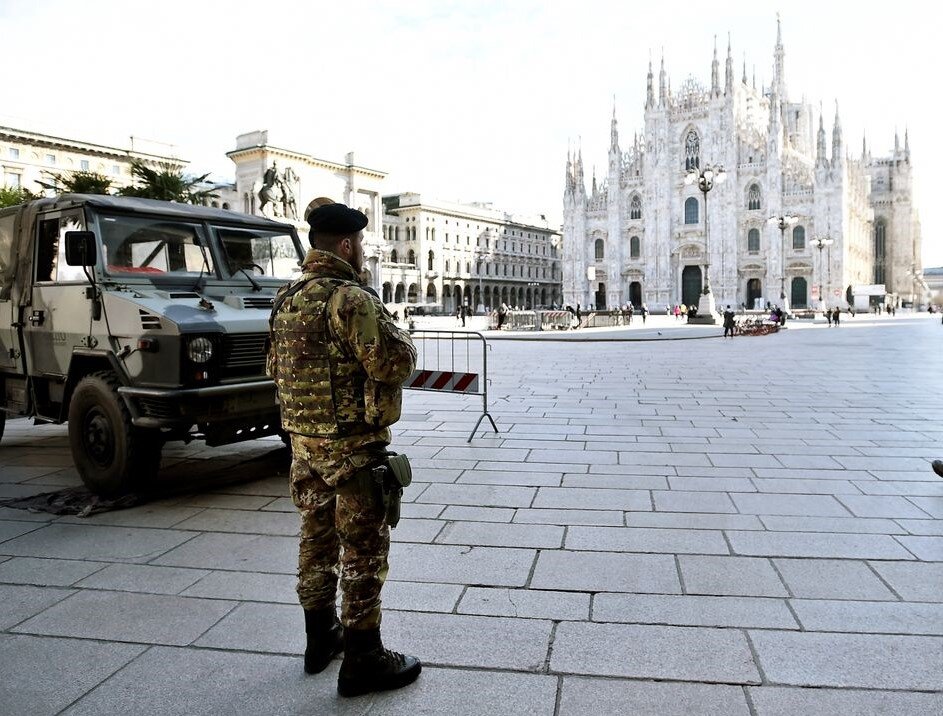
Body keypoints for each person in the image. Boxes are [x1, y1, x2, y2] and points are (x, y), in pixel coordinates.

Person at [268, 202, 421, 697]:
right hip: (352, 451)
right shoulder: (350, 299)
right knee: (363, 550)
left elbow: (274, 368)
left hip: (304, 448)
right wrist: (400, 336)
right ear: (348, 245)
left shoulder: (287, 299)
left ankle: (320, 639)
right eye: (361, 245)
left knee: (315, 541)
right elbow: (392, 364)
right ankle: (363, 658)